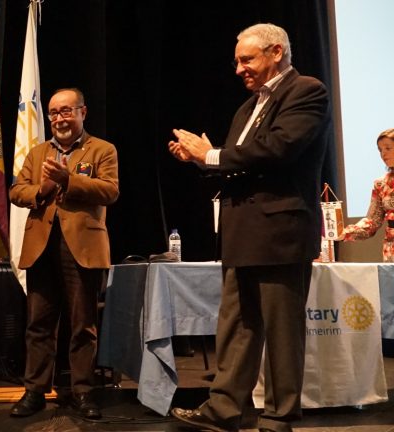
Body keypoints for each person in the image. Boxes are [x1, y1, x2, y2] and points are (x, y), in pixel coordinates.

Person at [168, 23, 330, 432]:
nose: (239, 69)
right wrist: (200, 159)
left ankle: (278, 416)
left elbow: (278, 149)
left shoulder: (306, 91)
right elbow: (236, 163)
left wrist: (212, 155)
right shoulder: (247, 107)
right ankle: (227, 409)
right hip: (241, 231)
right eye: (237, 62)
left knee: (281, 331)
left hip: (280, 232)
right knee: (235, 327)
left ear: (276, 52)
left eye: (247, 59)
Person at [8, 88, 119, 420]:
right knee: (38, 322)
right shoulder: (38, 152)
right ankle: (35, 391)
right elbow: (16, 191)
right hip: (41, 245)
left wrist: (68, 180)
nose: (59, 118)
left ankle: (83, 391)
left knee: (83, 324)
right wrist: (41, 190)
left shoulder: (102, 149)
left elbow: (110, 190)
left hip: (82, 248)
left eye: (66, 111)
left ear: (83, 112)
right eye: (54, 113)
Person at [339, 128, 394, 261]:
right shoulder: (381, 184)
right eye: (380, 150)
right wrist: (344, 233)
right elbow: (372, 222)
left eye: (388, 148)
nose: (383, 154)